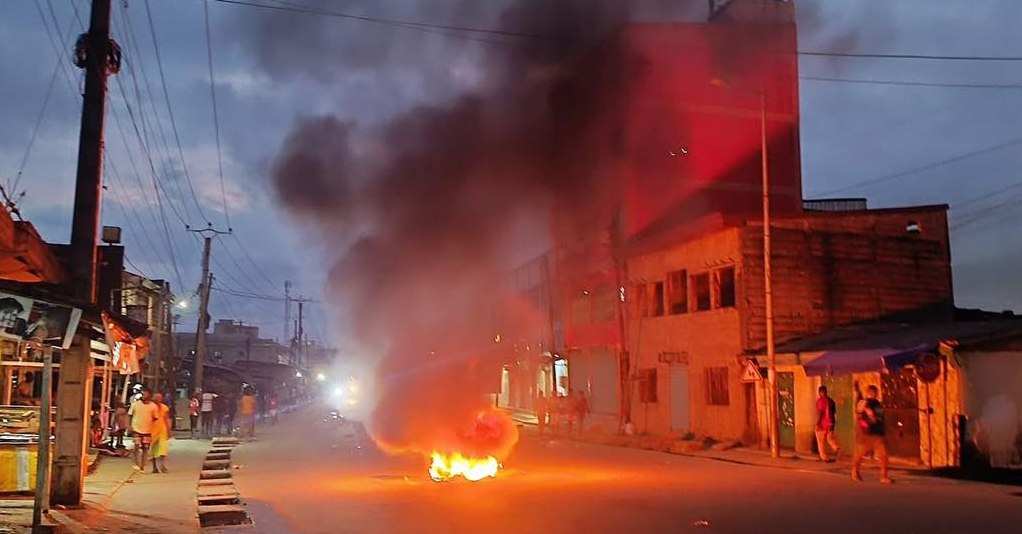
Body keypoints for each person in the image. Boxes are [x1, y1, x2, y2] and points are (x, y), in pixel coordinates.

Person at [852, 385, 892, 484]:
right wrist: (867, 412)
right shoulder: (863, 402)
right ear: (869, 392)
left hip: (877, 434)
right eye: (872, 392)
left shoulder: (878, 404)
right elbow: (858, 413)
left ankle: (883, 477)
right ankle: (855, 471)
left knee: (884, 456)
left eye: (875, 392)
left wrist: (880, 425)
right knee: (860, 455)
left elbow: (880, 417)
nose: (874, 394)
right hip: (867, 434)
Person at [128, 388, 160, 472]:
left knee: (145, 449)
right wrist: (129, 426)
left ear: (149, 395)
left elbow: (155, 418)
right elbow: (130, 415)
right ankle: (137, 464)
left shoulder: (153, 406)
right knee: (136, 447)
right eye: (142, 394)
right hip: (136, 429)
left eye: (144, 394)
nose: (143, 396)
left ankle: (142, 466)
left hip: (147, 430)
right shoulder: (135, 404)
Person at [815, 385, 841, 462]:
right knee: (830, 439)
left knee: (820, 441)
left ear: (820, 392)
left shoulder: (820, 401)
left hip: (822, 424)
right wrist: (832, 424)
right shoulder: (831, 401)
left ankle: (823, 457)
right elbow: (834, 414)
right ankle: (837, 448)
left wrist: (818, 423)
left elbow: (820, 413)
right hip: (830, 423)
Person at [150, 392, 171, 473]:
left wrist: (168, 429)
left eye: (159, 397)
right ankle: (154, 467)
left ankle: (162, 465)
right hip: (152, 430)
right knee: (153, 450)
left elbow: (166, 419)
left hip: (162, 429)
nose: (157, 399)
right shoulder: (150, 407)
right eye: (156, 397)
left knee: (163, 449)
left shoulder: (164, 407)